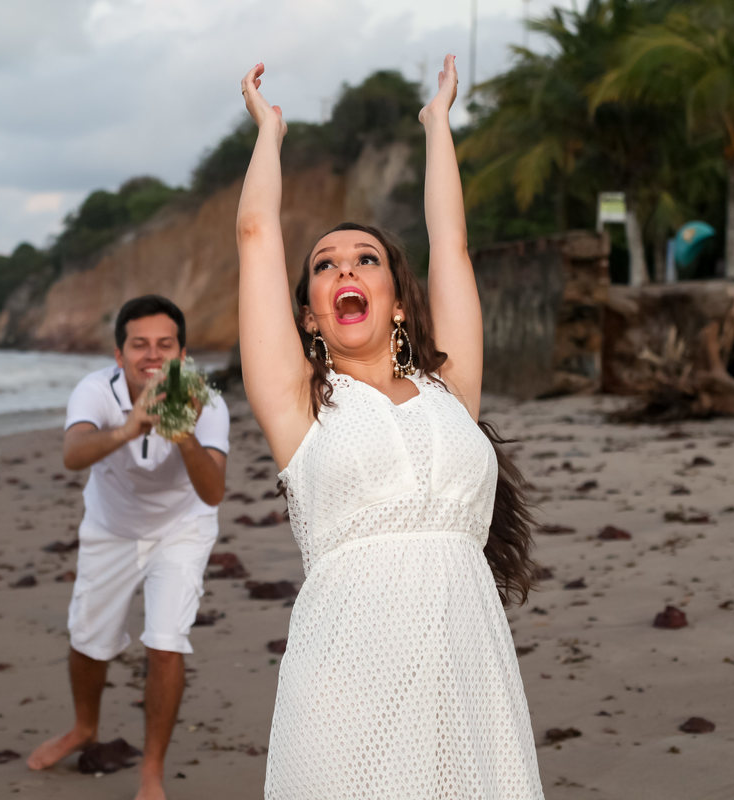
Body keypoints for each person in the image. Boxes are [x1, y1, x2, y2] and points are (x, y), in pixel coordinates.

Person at [236, 57, 544, 798]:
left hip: (467, 668)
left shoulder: (451, 390)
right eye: (325, 265)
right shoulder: (298, 409)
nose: (347, 268)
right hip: (347, 675)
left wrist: (438, 125)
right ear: (309, 315)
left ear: (397, 301)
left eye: (366, 259)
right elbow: (254, 234)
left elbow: (453, 246)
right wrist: (269, 133)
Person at [27, 294, 229, 800]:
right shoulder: (95, 390)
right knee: (87, 639)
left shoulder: (209, 399)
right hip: (111, 526)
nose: (152, 355)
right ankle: (83, 728)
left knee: (165, 641)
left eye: (165, 345)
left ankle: (151, 772)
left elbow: (213, 491)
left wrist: (180, 433)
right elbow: (73, 455)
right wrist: (130, 427)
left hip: (182, 528)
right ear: (119, 355)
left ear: (182, 355)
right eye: (139, 345)